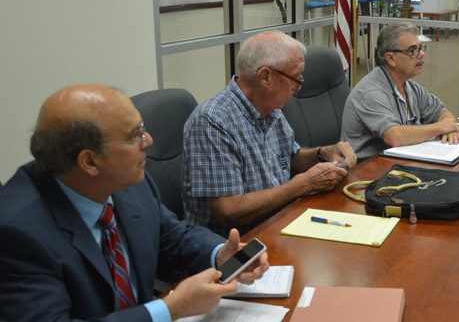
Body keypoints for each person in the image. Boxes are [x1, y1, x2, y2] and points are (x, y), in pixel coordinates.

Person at [0, 85, 269, 322]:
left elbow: (172, 236)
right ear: (90, 161)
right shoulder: (17, 232)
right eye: (134, 135)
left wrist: (221, 254)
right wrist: (170, 309)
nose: (148, 141)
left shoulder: (129, 183)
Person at [182, 31, 357, 236]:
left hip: (279, 224)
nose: (299, 86)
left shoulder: (270, 107)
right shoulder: (213, 121)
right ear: (265, 76)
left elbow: (289, 158)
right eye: (296, 77)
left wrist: (323, 152)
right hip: (237, 247)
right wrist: (303, 184)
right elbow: (230, 211)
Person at [341, 23, 459, 160]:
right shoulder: (370, 93)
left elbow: (443, 113)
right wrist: (441, 128)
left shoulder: (410, 86)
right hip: (367, 172)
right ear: (391, 58)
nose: (422, 54)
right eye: (412, 50)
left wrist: (450, 129)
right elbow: (395, 137)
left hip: (400, 163)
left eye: (420, 48)